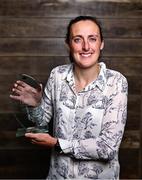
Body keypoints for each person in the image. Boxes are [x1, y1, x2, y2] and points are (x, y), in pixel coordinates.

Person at [10, 16, 128, 179]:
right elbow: (42, 121)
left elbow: (107, 147)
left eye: (92, 39)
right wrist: (36, 105)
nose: (86, 47)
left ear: (101, 44)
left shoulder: (116, 82)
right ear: (68, 44)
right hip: (58, 175)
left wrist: (57, 144)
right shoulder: (57, 75)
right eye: (78, 39)